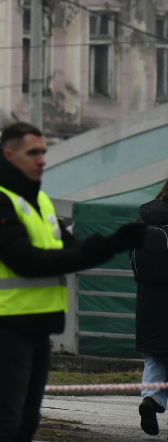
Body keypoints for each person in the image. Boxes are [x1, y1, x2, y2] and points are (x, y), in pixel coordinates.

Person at [0, 121, 144, 442]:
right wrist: (107, 245)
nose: (42, 159)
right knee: (7, 421)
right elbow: (27, 262)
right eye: (33, 152)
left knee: (28, 421)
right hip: (4, 322)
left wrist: (113, 243)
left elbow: (72, 253)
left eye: (44, 152)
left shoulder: (39, 202)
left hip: (37, 324)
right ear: (8, 154)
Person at [133, 180, 168, 435]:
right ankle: (153, 401)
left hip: (148, 303)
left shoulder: (144, 222)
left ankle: (151, 399)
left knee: (154, 355)